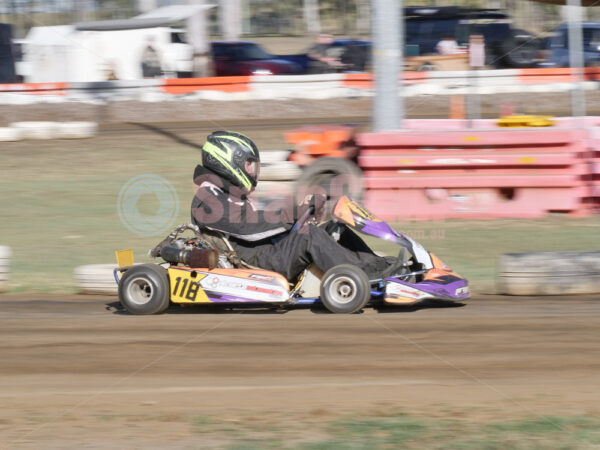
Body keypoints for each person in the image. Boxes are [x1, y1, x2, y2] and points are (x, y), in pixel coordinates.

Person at [191, 131, 397, 281]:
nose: (252, 171)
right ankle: (363, 276)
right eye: (248, 165)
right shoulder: (207, 199)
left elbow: (254, 219)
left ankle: (377, 266)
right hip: (257, 261)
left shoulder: (225, 193)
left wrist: (300, 211)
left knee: (335, 228)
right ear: (225, 162)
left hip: (265, 250)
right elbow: (247, 228)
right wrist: (291, 215)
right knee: (308, 236)